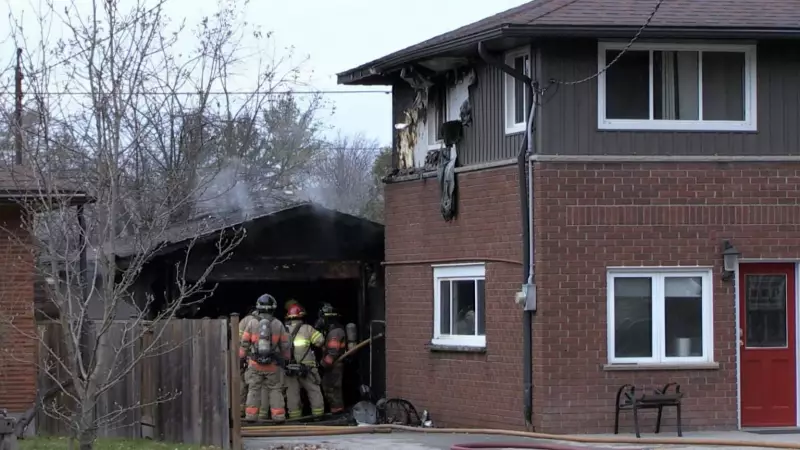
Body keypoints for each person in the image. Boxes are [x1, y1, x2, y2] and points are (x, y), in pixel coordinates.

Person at [239, 293, 290, 423]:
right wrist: (286, 360)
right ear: (273, 308)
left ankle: (251, 416)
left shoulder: (252, 323)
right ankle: (278, 417)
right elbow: (285, 346)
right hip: (273, 365)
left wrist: (241, 359)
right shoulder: (278, 324)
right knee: (275, 389)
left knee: (253, 389)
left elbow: (244, 343)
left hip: (255, 364)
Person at [283, 302, 326, 419]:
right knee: (314, 391)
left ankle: (294, 418)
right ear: (302, 316)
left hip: (289, 369)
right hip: (307, 368)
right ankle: (318, 416)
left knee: (292, 394)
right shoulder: (308, 329)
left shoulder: (283, 331)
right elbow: (320, 342)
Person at [315, 302, 347, 414]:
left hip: (334, 365)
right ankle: (335, 411)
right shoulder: (331, 331)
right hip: (331, 365)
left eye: (322, 318)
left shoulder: (335, 332)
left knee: (333, 389)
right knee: (328, 388)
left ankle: (338, 412)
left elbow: (333, 353)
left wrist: (322, 365)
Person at [238, 308, 259, 418]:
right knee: (256, 386)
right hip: (256, 359)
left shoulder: (244, 321)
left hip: (245, 358)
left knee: (242, 384)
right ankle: (258, 412)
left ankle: (241, 411)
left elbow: (239, 340)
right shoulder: (264, 321)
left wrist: (240, 358)